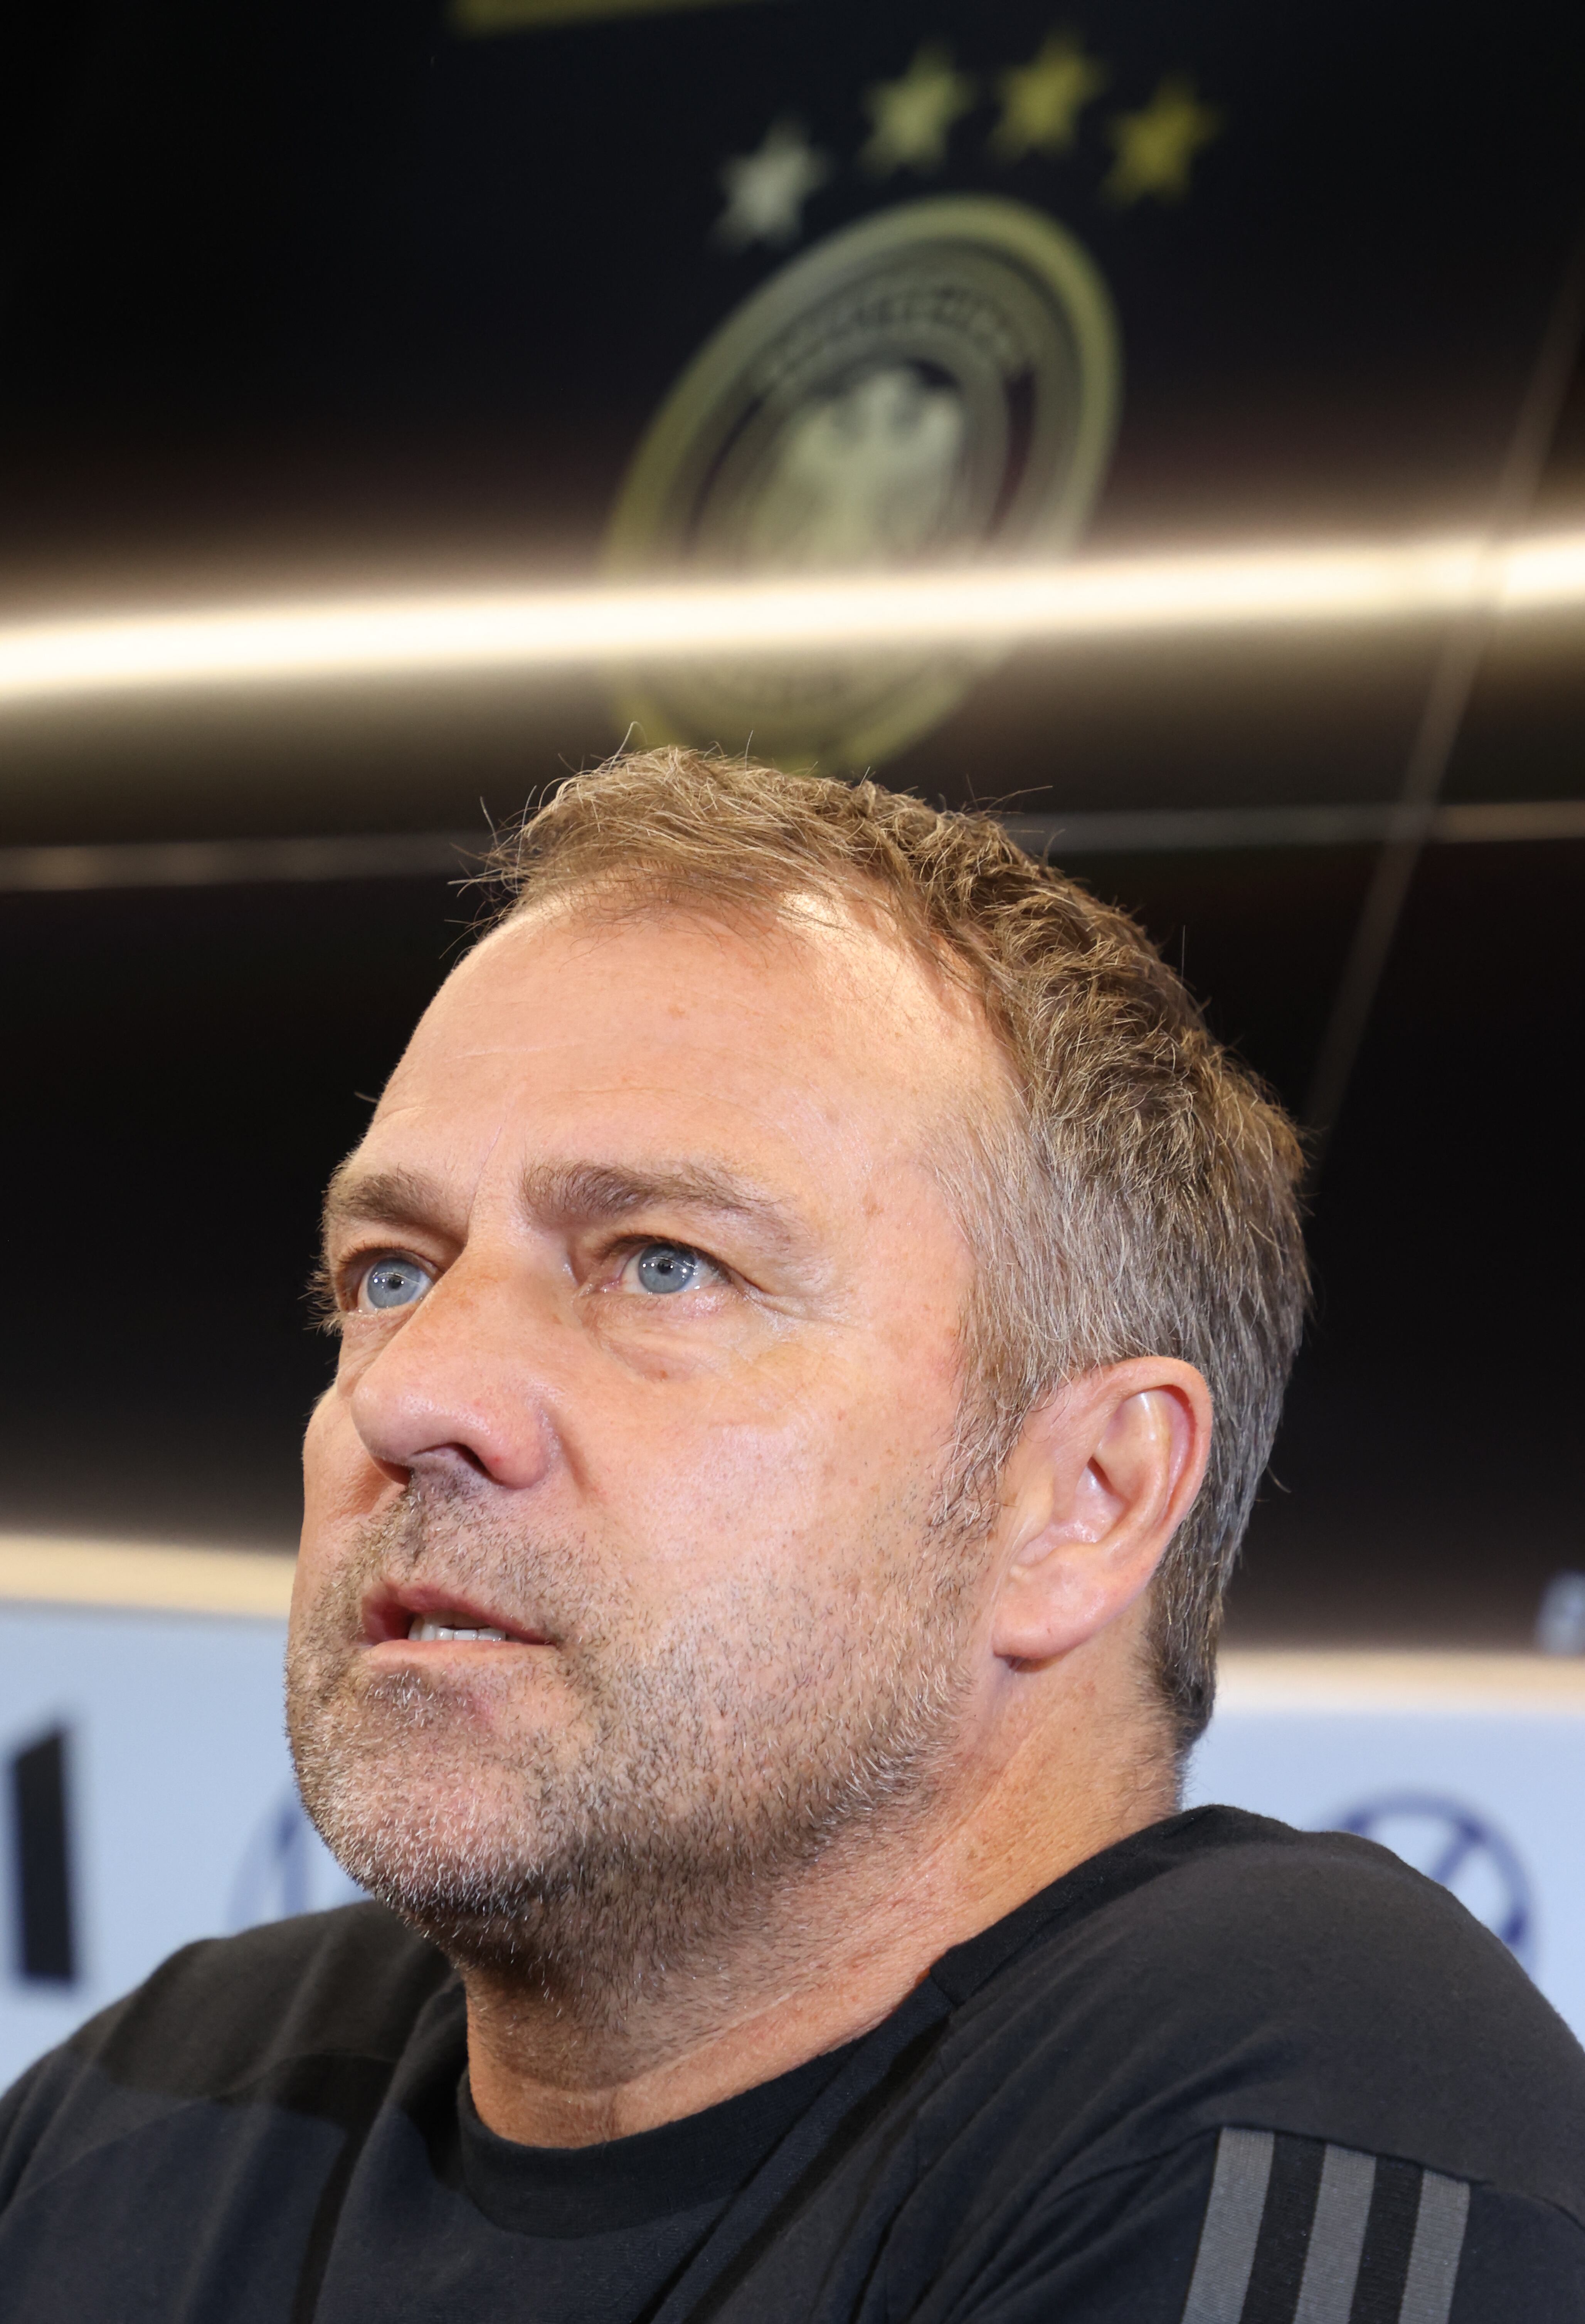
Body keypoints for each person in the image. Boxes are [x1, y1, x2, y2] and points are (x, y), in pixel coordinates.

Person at [2, 750, 1581, 2322]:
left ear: (1084, 1496)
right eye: (392, 1271)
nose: (411, 1394)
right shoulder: (165, 2099)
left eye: (664, 1264)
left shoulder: (1300, 2118)